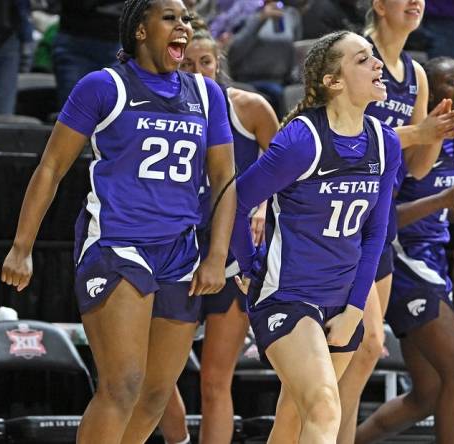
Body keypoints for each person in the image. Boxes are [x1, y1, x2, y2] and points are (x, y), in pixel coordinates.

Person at [0, 1, 236, 443]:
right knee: (123, 384)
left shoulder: (206, 95)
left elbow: (224, 178)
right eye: (170, 17)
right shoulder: (103, 86)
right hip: (117, 246)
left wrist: (217, 254)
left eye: (185, 18)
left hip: (181, 251)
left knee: (156, 393)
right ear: (141, 31)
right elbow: (51, 166)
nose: (182, 26)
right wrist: (22, 246)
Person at [230, 30, 401, 443]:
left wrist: (355, 309)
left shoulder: (385, 142)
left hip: (342, 303)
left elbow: (376, 233)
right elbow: (235, 200)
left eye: (374, 56)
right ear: (333, 81)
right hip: (289, 298)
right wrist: (243, 263)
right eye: (363, 59)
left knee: (294, 421)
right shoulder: (302, 139)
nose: (378, 63)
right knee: (325, 406)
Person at [337, 2, 454, 442]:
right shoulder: (357, 54)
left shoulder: (415, 75)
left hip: (378, 223)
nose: (416, 2)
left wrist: (437, 132)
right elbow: (342, 136)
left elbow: (417, 168)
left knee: (366, 354)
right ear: (379, 4)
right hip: (340, 215)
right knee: (346, 356)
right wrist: (421, 133)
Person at [157, 23, 278, 444]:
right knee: (156, 375)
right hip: (179, 251)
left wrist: (261, 206)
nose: (196, 70)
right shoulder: (159, 111)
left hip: (231, 255)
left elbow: (286, 172)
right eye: (186, 62)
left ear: (217, 62)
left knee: (215, 381)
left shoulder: (250, 108)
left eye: (204, 62)